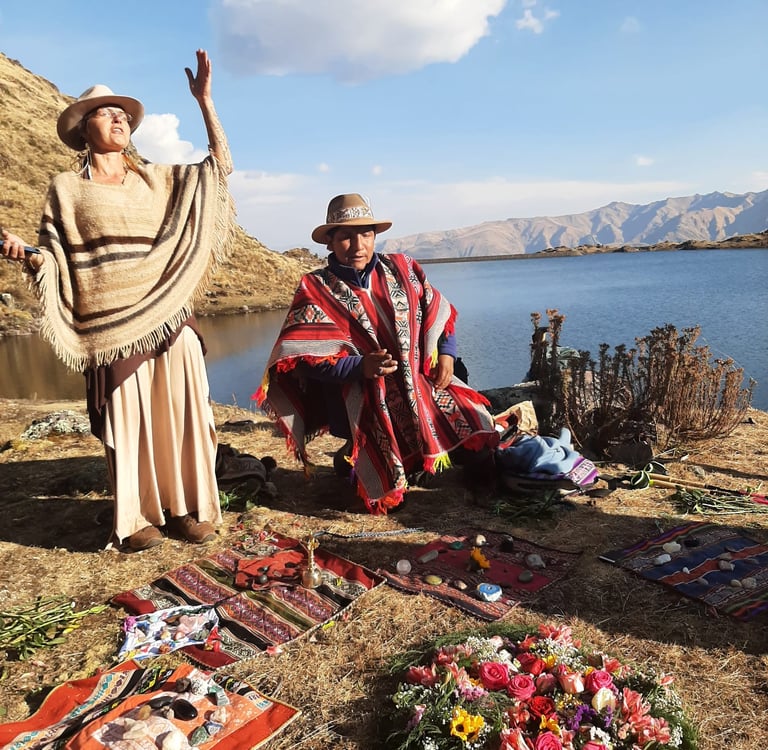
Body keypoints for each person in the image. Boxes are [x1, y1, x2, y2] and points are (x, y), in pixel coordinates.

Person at [1, 50, 235, 551]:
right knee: (130, 420)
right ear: (84, 130)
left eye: (123, 115)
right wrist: (29, 256)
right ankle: (137, 517)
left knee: (184, 411)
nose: (119, 119)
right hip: (110, 326)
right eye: (107, 114)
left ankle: (189, 509)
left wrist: (205, 103)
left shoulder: (154, 179)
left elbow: (220, 169)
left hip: (169, 315)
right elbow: (56, 254)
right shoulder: (66, 189)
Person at [255, 193, 499, 513]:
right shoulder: (315, 289)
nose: (357, 245)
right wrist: (360, 367)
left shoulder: (403, 268)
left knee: (476, 420)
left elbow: (439, 314)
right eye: (346, 236)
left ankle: (473, 478)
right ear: (329, 242)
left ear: (375, 237)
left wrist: (447, 356)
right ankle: (353, 458)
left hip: (421, 385)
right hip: (362, 399)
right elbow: (302, 357)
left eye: (366, 235)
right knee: (381, 484)